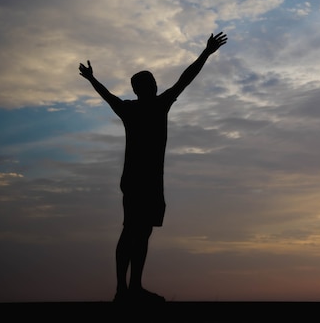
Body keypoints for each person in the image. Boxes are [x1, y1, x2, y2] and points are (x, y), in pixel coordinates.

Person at [79, 32, 227, 303]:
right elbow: (184, 79)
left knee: (142, 231)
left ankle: (133, 287)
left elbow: (184, 79)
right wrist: (205, 53)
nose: (156, 85)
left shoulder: (149, 107)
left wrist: (91, 80)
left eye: (154, 81)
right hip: (138, 181)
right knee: (132, 230)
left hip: (147, 181)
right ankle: (123, 289)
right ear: (140, 88)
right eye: (150, 82)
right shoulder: (142, 108)